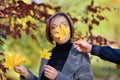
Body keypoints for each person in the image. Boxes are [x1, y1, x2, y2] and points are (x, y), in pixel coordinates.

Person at [14, 12, 93, 80]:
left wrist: (57, 77)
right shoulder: (46, 56)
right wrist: (26, 74)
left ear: (70, 29)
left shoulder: (80, 54)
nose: (59, 30)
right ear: (50, 34)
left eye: (63, 25)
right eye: (53, 27)